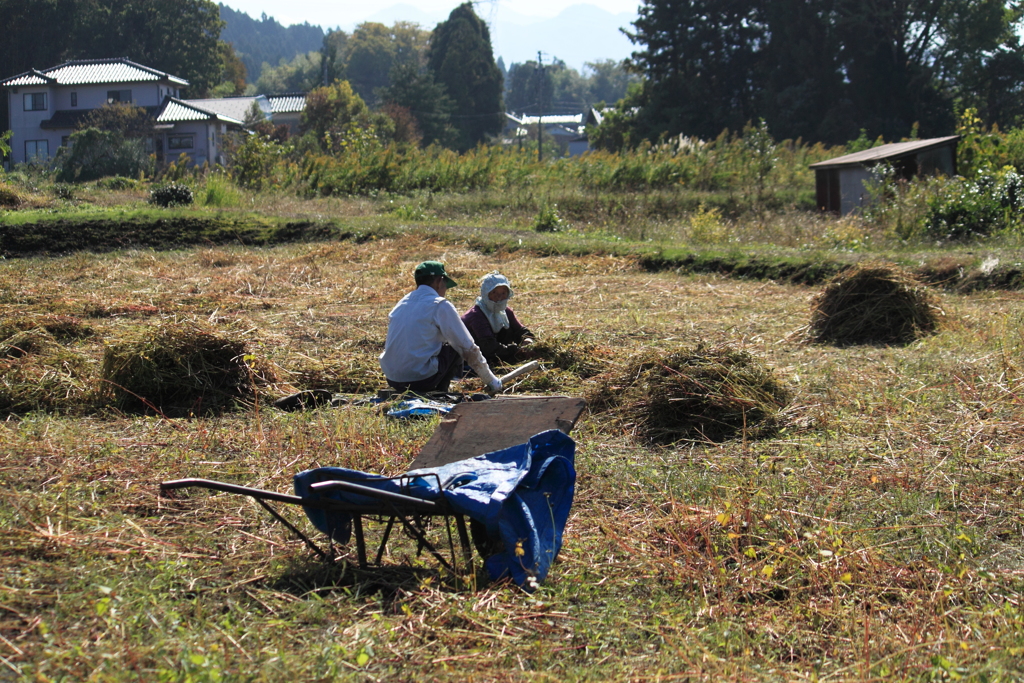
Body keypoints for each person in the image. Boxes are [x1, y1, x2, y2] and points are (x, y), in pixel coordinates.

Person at [379, 261, 503, 395]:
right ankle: (439, 392)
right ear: (439, 281)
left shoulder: (402, 303)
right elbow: (468, 348)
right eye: (445, 286)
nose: (444, 291)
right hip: (420, 380)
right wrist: (490, 380)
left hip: (393, 379)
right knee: (455, 347)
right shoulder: (439, 305)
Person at [461, 272, 535, 367]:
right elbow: (489, 347)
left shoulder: (506, 312)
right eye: (494, 292)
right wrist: (517, 351)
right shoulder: (477, 315)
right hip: (471, 360)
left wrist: (528, 340)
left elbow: (520, 330)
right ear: (486, 293)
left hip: (495, 358)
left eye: (503, 293)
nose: (499, 297)